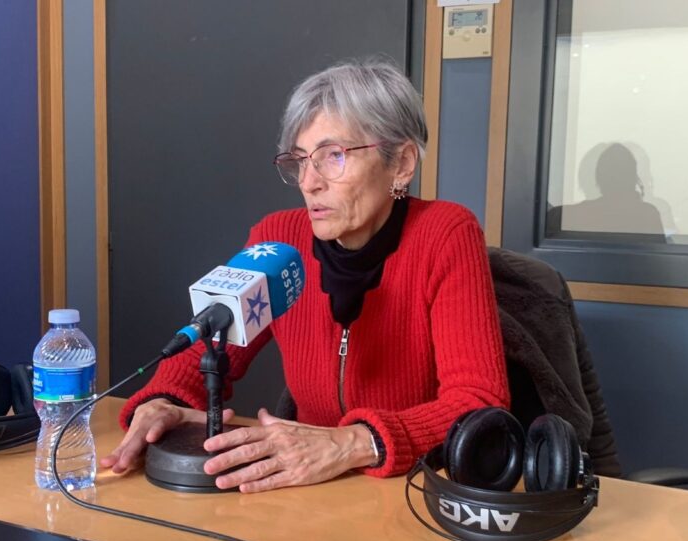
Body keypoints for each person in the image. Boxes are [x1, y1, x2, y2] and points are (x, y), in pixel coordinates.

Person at [101, 59, 509, 493]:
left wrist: (353, 443)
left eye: (333, 156)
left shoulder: (445, 234)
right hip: (307, 491)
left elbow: (479, 404)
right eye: (300, 160)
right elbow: (213, 337)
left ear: (402, 163)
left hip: (411, 491)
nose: (309, 182)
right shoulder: (277, 239)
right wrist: (165, 401)